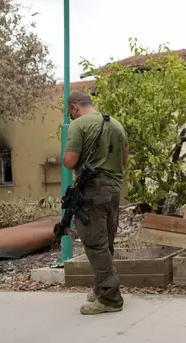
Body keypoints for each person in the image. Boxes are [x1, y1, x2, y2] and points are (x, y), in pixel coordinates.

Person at [63, 91, 129, 316]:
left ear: (74, 107)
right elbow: (124, 160)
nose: (71, 116)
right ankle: (101, 287)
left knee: (94, 242)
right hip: (114, 190)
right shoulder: (117, 124)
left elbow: (70, 161)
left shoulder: (78, 125)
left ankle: (110, 298)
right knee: (106, 241)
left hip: (92, 190)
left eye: (70, 112)